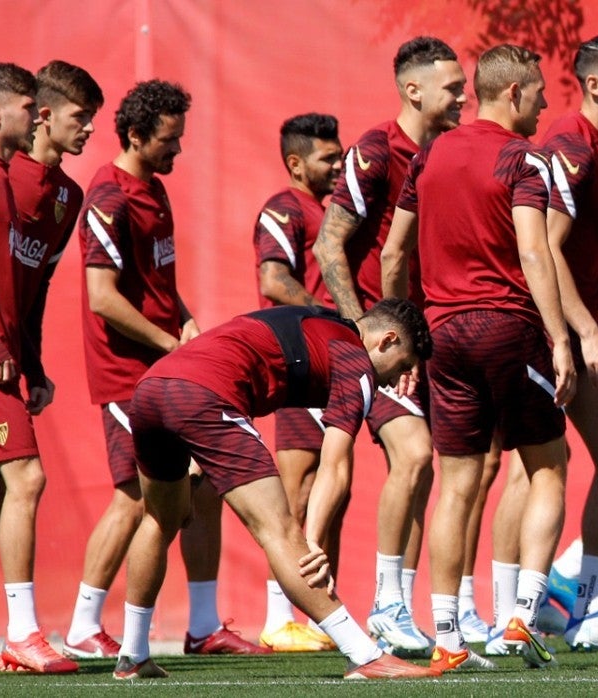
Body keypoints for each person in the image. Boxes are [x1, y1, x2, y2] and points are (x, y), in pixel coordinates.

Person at [114, 300, 437, 680]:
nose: (391, 381)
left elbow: (239, 353)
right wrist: (313, 541)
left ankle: (133, 654)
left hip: (152, 389)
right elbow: (335, 464)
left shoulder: (319, 320)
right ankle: (365, 655)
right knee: (281, 531)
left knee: (160, 519)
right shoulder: (357, 363)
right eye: (400, 366)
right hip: (205, 395)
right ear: (387, 340)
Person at [392, 43, 575, 672]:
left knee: (457, 486)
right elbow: (534, 253)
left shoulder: (430, 152)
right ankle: (522, 616)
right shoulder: (524, 156)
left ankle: (446, 640)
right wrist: (560, 338)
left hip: (442, 337)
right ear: (516, 92)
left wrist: (402, 341)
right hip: (508, 328)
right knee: (550, 466)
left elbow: (394, 255)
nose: (549, 102)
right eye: (542, 91)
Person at [68, 79, 266, 659]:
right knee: (135, 495)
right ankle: (82, 624)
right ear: (135, 134)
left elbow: (159, 287)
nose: (178, 150)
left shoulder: (154, 188)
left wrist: (189, 327)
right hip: (127, 373)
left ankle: (203, 626)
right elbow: (102, 297)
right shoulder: (108, 196)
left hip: (166, 366)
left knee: (202, 489)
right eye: (169, 140)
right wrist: (169, 345)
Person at [314, 36, 470, 656]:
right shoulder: (376, 150)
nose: (464, 97)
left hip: (412, 345)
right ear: (414, 90)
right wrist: (364, 340)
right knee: (412, 456)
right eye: (453, 87)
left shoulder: (446, 153)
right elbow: (329, 248)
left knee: (424, 469)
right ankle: (384, 605)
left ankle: (399, 606)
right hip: (370, 344)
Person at [504, 33, 598, 652]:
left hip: (581, 325)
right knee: (526, 472)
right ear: (594, 85)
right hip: (547, 329)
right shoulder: (571, 145)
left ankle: (587, 611)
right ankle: (505, 612)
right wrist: (583, 333)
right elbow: (546, 247)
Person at [0, 61, 75, 674]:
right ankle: (22, 632)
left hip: (5, 360)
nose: (36, 115)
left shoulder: (28, 186)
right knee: (25, 479)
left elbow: (26, 287)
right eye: (29, 106)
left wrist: (32, 362)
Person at [251, 113, 344, 652]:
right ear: (295, 163)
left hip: (327, 364)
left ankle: (314, 612)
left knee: (332, 488)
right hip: (297, 361)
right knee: (297, 491)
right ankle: (278, 615)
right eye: (327, 158)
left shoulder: (324, 212)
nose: (337, 165)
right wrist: (327, 313)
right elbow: (272, 277)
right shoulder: (284, 207)